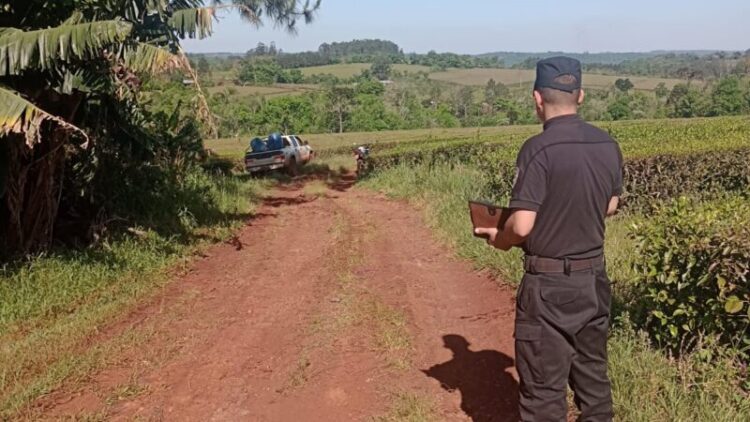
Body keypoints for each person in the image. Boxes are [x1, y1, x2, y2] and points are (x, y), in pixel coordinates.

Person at [475, 57, 623, 422]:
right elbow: (611, 205)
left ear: (537, 99)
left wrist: (499, 238)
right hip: (593, 281)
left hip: (547, 287)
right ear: (581, 95)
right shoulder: (608, 145)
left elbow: (522, 226)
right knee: (593, 382)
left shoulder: (537, 149)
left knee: (543, 394)